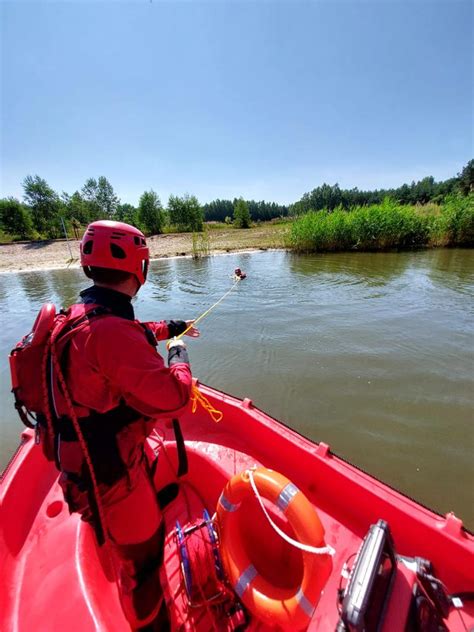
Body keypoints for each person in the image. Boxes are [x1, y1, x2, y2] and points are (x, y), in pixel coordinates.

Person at [48, 220, 198, 629]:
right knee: (145, 563)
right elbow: (174, 398)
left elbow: (125, 335)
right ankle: (152, 622)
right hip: (110, 475)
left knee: (141, 528)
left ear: (87, 268)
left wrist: (169, 327)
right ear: (141, 268)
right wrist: (179, 354)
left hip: (88, 460)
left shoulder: (80, 314)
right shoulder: (110, 332)